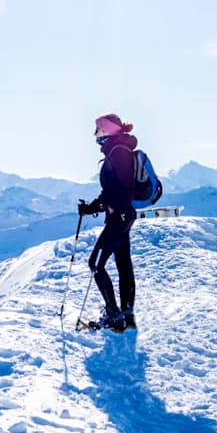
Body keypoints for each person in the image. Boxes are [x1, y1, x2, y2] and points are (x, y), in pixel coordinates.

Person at [78, 113, 139, 332]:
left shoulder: (118, 151)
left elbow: (125, 187)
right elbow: (111, 191)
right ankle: (126, 315)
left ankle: (114, 315)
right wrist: (91, 208)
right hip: (122, 215)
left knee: (95, 263)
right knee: (123, 263)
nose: (95, 134)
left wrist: (114, 206)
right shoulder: (118, 150)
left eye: (98, 129)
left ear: (109, 130)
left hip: (120, 216)